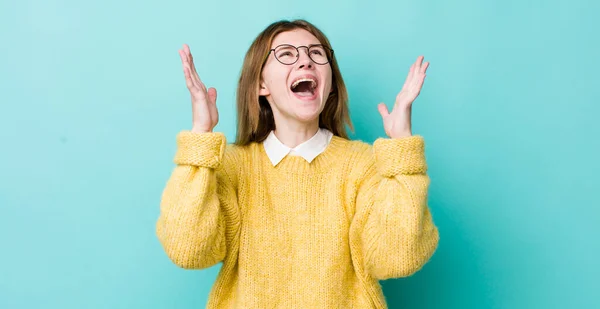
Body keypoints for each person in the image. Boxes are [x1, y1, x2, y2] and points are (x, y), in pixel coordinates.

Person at [156, 19, 440, 308]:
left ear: (329, 85)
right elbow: (189, 249)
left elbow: (398, 257)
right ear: (261, 84)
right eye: (288, 54)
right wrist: (200, 137)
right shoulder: (233, 166)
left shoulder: (363, 165)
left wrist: (403, 150)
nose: (305, 61)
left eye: (316, 53)